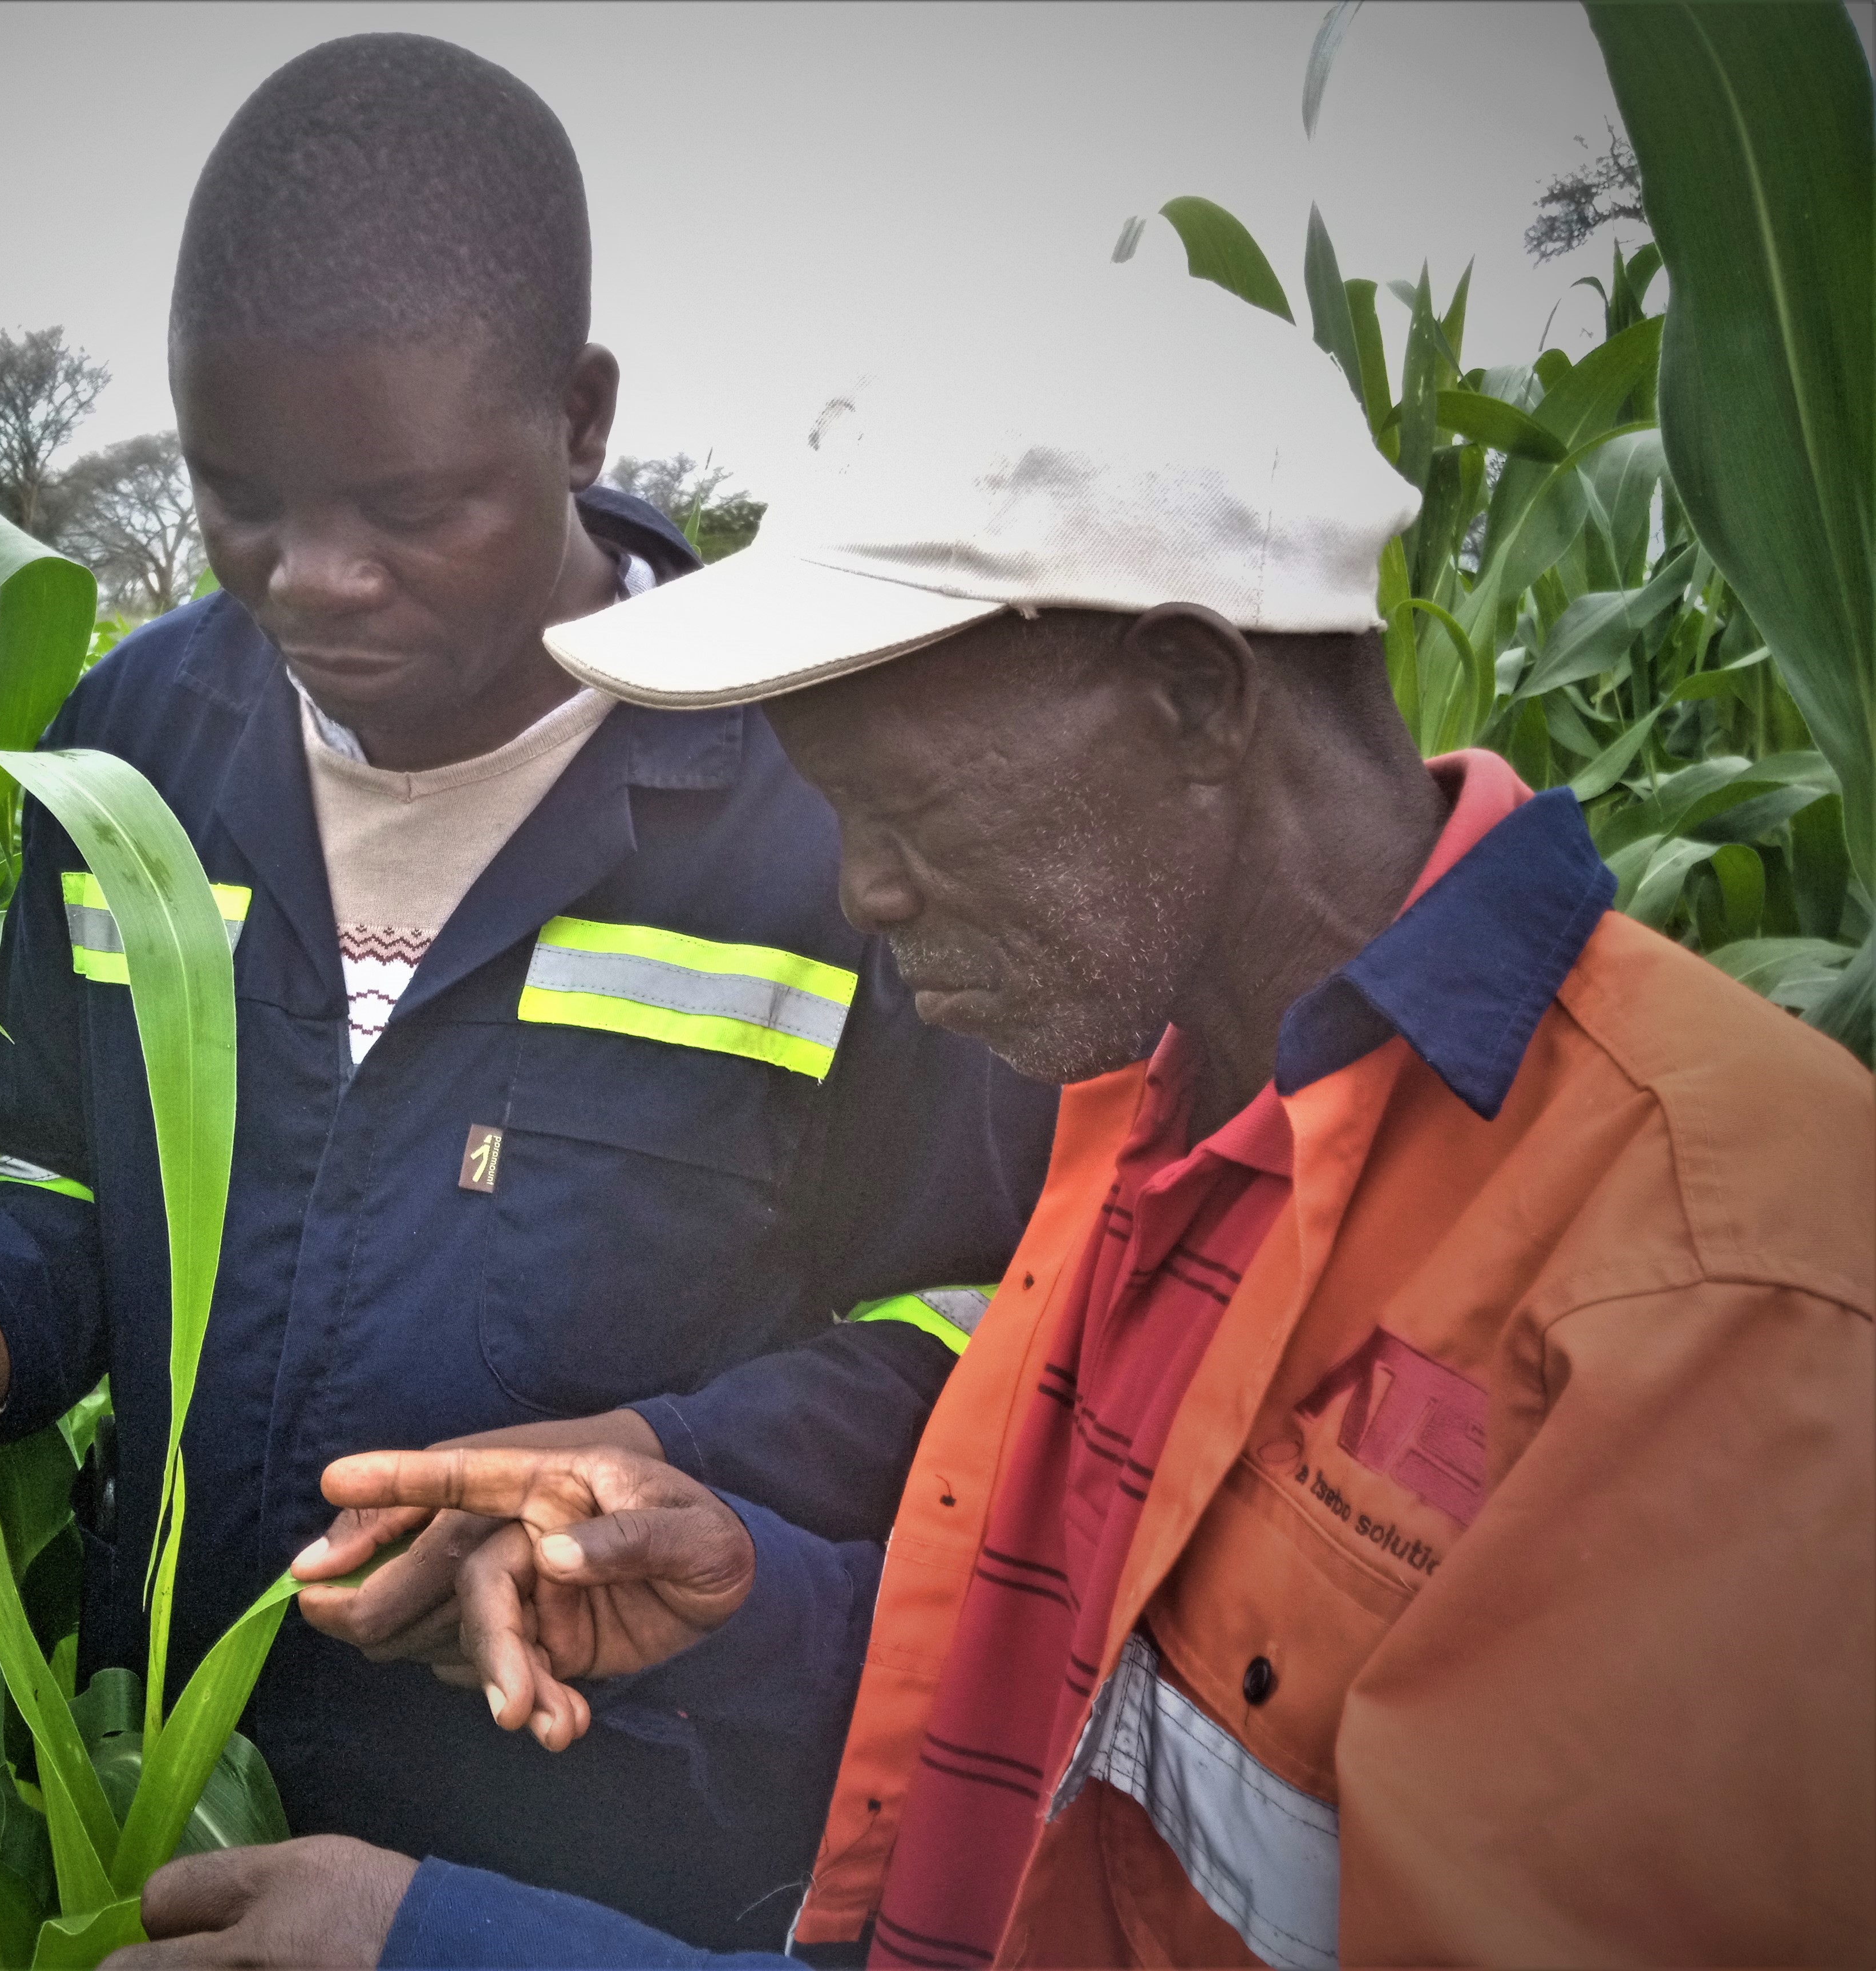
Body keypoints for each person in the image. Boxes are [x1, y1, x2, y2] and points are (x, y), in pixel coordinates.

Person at [107, 278, 1875, 1969]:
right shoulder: (1142, 1115)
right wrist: (755, 1607)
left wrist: (459, 1952)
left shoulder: (1720, 1281)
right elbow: (1090, 1728)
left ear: (1191, 698)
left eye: (906, 811)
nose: (863, 896)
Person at [0, 33, 1056, 1953]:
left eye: (409, 506)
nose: (311, 580)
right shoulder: (135, 748)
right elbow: (59, 1175)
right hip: (160, 1812)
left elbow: (987, 1322)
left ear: (580, 420)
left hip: (608, 1875)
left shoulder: (822, 812)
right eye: (238, 497)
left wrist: (663, 1463)